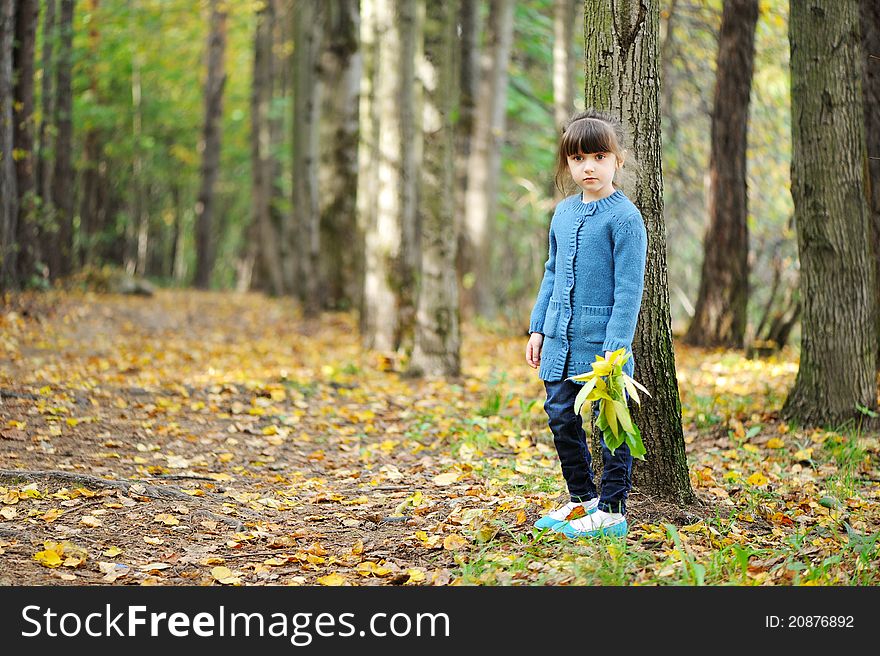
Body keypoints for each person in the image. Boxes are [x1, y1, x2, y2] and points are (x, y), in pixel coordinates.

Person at [525, 109, 647, 538]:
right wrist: (538, 327)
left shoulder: (626, 219)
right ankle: (583, 500)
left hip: (603, 345)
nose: (588, 166)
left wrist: (617, 349)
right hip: (560, 338)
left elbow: (629, 290)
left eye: (598, 156)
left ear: (618, 160)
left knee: (611, 423)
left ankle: (612, 511)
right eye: (578, 158)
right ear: (568, 164)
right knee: (559, 414)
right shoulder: (562, 213)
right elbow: (553, 271)